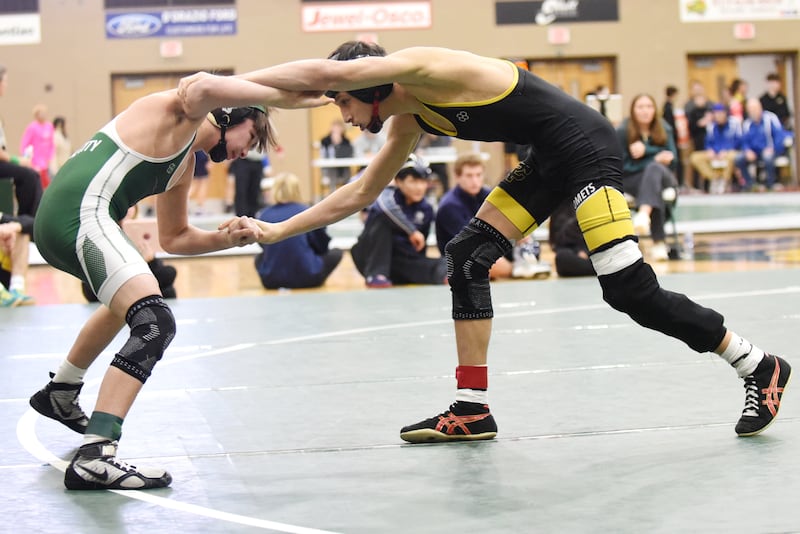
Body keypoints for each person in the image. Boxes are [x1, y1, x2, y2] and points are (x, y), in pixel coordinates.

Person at [216, 41, 791, 444]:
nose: (341, 115)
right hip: (547, 159)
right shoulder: (408, 119)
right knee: (466, 257)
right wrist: (273, 230)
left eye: (342, 102)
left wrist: (222, 88)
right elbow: (359, 194)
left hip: (587, 148)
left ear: (364, 83)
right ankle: (472, 410)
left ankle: (756, 363)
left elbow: (321, 77)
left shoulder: (422, 68)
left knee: (628, 290)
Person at [27, 70, 325, 491]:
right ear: (229, 115)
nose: (246, 151)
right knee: (154, 323)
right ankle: (96, 454)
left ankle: (61, 390)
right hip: (79, 215)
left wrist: (228, 239)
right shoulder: (181, 115)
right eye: (251, 135)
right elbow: (204, 86)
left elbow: (176, 237)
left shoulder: (182, 164)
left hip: (73, 217)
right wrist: (292, 93)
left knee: (126, 304)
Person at [436, 152, 549, 280]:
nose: (474, 181)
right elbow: (466, 246)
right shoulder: (449, 206)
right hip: (464, 257)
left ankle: (521, 266)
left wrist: (520, 235)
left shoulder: (488, 194)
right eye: (469, 176)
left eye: (478, 175)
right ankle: (517, 269)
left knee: (526, 238)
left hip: (490, 246)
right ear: (457, 176)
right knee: (481, 261)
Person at [350, 154, 446, 288]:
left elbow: (419, 248)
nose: (419, 187)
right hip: (370, 258)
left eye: (423, 181)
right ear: (398, 181)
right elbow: (384, 208)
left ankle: (447, 276)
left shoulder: (426, 209)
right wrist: (411, 231)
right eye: (413, 181)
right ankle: (377, 275)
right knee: (381, 219)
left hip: (401, 262)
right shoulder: (387, 198)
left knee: (446, 263)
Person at [617, 94, 679, 262]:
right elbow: (622, 166)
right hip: (633, 179)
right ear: (632, 110)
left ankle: (643, 215)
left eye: (649, 106)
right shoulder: (623, 131)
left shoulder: (664, 127)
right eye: (640, 107)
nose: (645, 111)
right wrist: (655, 157)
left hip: (664, 176)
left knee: (654, 170)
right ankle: (659, 243)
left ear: (655, 109)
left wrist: (647, 151)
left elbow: (674, 161)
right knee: (653, 183)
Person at [254, 172, 343, 289]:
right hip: (308, 277)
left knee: (259, 257)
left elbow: (263, 244)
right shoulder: (307, 212)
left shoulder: (264, 214)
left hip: (271, 280)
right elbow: (321, 245)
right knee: (336, 253)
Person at [735, 98, 789, 191]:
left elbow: (779, 136)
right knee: (739, 159)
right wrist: (747, 150)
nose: (753, 112)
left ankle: (770, 183)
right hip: (754, 152)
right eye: (750, 110)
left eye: (755, 109)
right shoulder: (747, 123)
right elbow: (744, 141)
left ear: (760, 107)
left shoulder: (771, 118)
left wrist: (773, 148)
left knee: (767, 157)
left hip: (770, 150)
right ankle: (750, 184)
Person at [689, 103, 742, 193]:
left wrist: (726, 150)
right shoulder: (711, 126)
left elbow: (738, 140)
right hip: (715, 153)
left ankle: (724, 180)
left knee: (731, 157)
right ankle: (714, 178)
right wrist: (710, 150)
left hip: (730, 152)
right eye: (716, 113)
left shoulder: (734, 123)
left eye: (721, 113)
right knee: (695, 157)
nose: (718, 115)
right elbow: (708, 142)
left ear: (725, 113)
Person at [548, 198, 595, 278]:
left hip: (592, 249)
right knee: (562, 258)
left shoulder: (592, 199)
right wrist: (578, 251)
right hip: (570, 251)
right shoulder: (560, 206)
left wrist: (585, 251)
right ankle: (598, 268)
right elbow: (557, 240)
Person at [20, 104, 55, 189]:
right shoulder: (32, 127)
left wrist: (50, 157)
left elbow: (51, 143)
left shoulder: (49, 126)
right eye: (40, 113)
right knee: (39, 181)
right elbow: (24, 144)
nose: (42, 115)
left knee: (48, 182)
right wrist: (27, 158)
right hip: (35, 160)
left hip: (46, 160)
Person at [319, 119, 354, 191]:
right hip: (329, 168)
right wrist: (334, 144)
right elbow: (325, 155)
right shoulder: (325, 140)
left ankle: (347, 190)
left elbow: (347, 154)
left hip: (342, 168)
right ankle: (332, 191)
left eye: (338, 128)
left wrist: (339, 144)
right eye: (335, 128)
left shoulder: (346, 141)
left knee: (347, 170)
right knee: (332, 169)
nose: (336, 130)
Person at [188, 149, 210, 215]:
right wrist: (210, 161)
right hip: (201, 156)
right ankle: (200, 208)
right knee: (202, 183)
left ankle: (185, 203)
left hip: (195, 156)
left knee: (195, 184)